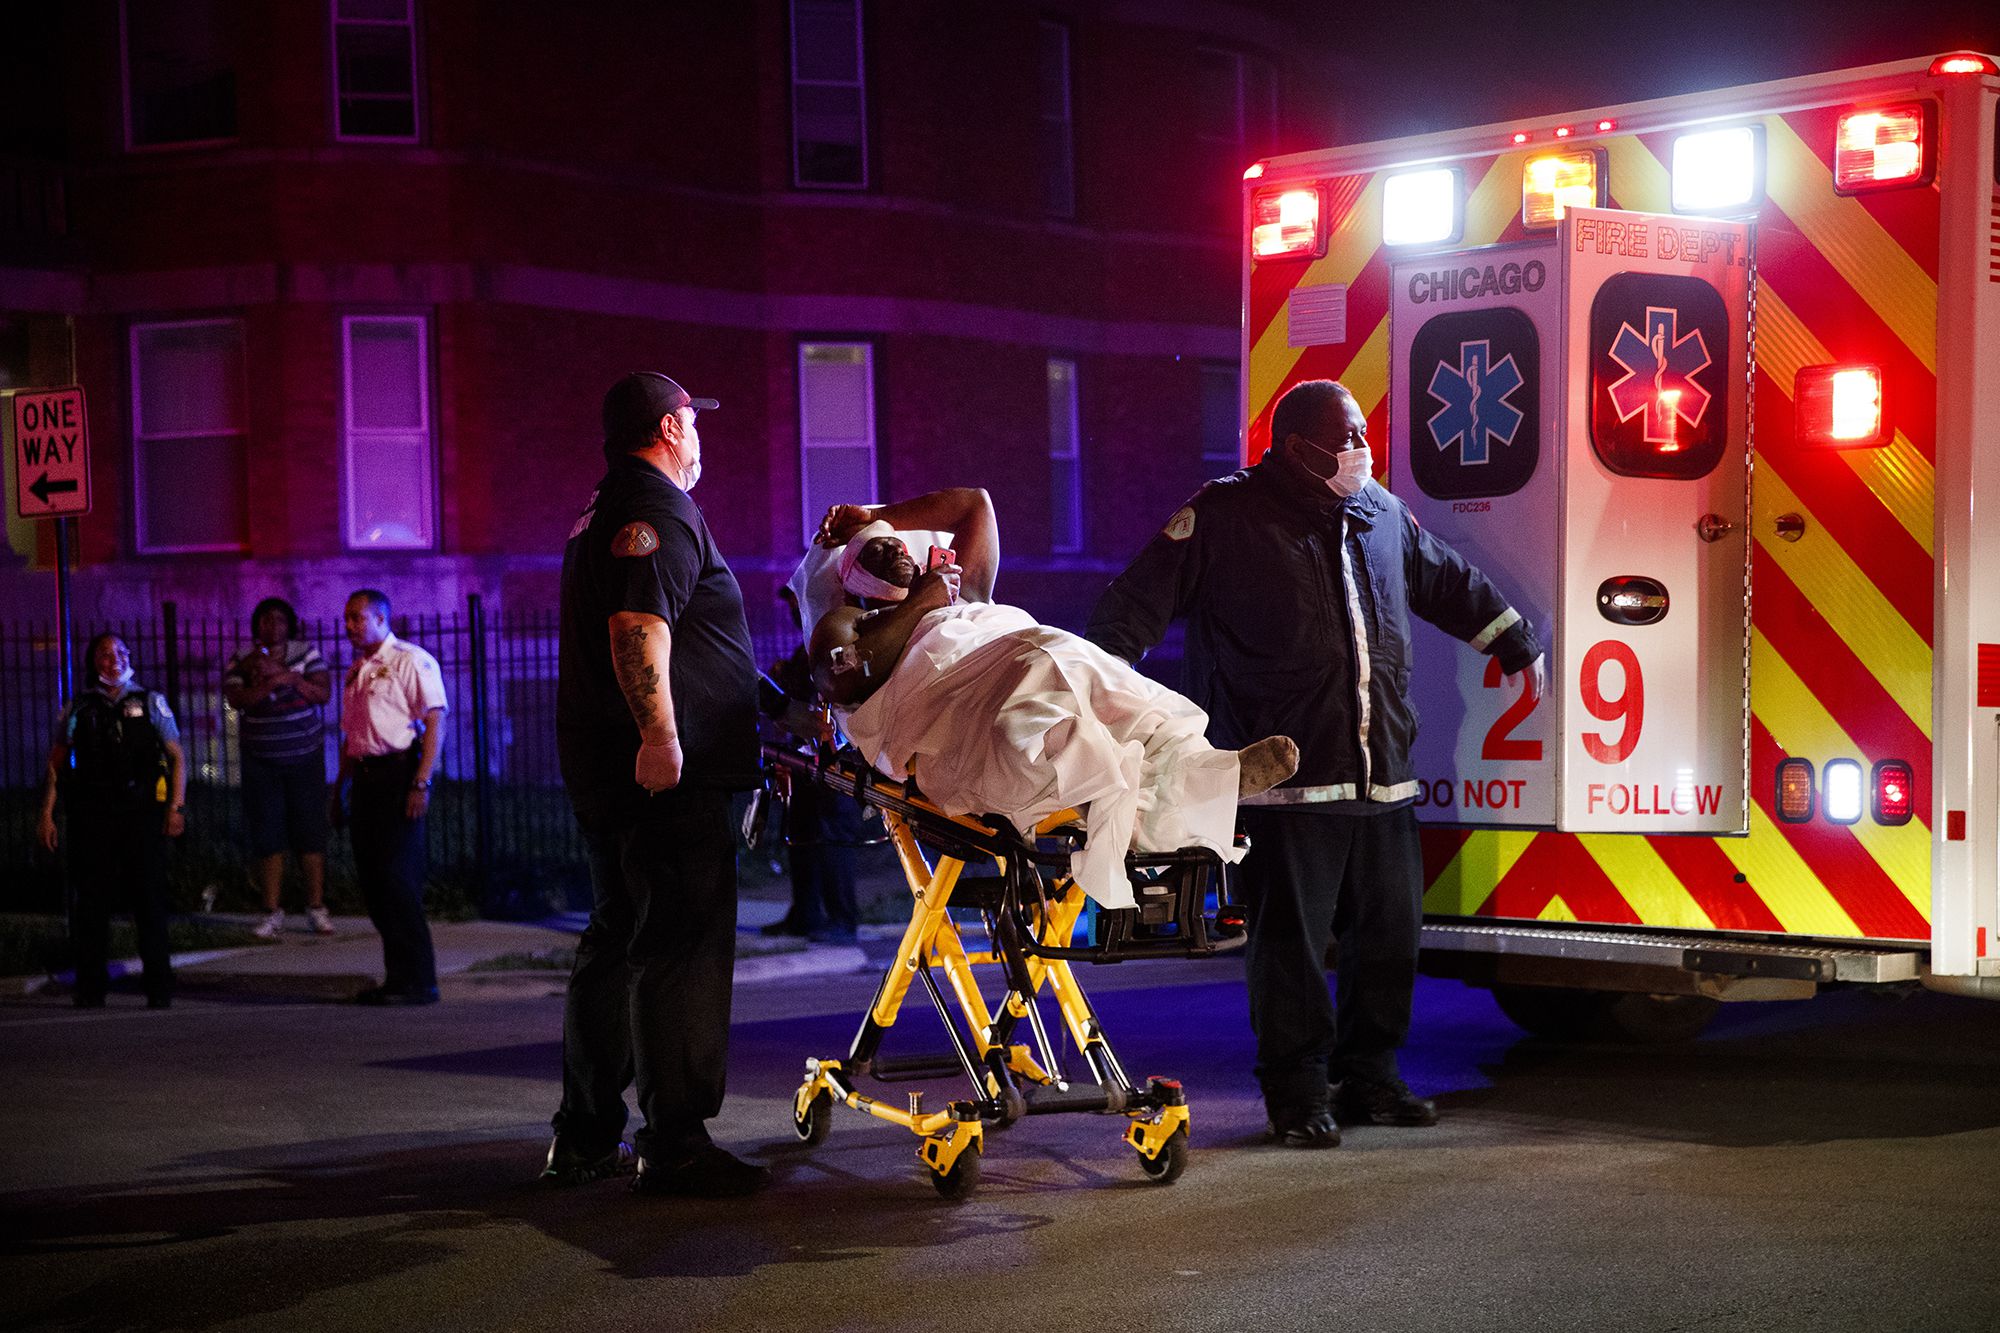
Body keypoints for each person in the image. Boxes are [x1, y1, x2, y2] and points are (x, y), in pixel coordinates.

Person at [1087, 378, 1545, 1148]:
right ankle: (1297, 1092)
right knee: (1291, 950)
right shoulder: (1226, 517)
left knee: (1390, 935)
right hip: (1284, 789)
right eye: (1350, 436)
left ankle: (1372, 1077)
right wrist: (1099, 701)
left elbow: (1445, 579)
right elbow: (1131, 609)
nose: (1363, 449)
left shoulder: (1381, 515)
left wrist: (1511, 637)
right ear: (1300, 447)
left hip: (1383, 775)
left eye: (1364, 433)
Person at [806, 489, 1298, 911]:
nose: (895, 551)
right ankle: (1147, 808)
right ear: (852, 578)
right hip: (956, 702)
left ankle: (1206, 770)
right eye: (876, 549)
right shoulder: (852, 622)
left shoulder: (966, 596)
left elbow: (974, 503)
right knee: (1044, 698)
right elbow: (840, 679)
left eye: (899, 545)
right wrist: (920, 605)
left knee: (1107, 681)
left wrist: (875, 515)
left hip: (1031, 655)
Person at [542, 370, 767, 1199]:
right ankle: (674, 1140)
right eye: (693, 424)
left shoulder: (598, 510)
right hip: (665, 779)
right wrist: (664, 736)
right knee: (679, 949)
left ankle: (585, 1133)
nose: (700, 438)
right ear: (672, 428)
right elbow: (638, 626)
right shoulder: (656, 509)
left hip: (612, 774)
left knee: (618, 942)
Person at [35, 632, 187, 1009]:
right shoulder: (78, 708)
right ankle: (90, 989)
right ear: (93, 661)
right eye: (104, 654)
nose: (113, 659)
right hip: (94, 817)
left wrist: (175, 808)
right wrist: (47, 813)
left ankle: (159, 989)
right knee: (92, 906)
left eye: (119, 652)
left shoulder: (150, 702)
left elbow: (176, 757)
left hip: (141, 816)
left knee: (149, 901)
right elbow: (56, 764)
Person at [331, 589, 446, 1006]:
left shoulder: (409, 660)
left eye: (358, 618)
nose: (350, 626)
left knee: (399, 880)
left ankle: (421, 979)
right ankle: (397, 977)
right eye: (346, 618)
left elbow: (435, 719)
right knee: (375, 881)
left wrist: (421, 782)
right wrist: (340, 786)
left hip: (397, 775)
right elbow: (352, 737)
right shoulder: (357, 669)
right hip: (364, 779)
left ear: (381, 618)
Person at [758, 585, 865, 944]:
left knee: (834, 839)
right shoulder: (805, 650)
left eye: (794, 603)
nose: (791, 612)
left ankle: (842, 920)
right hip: (805, 758)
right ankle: (805, 914)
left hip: (838, 759)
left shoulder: (835, 644)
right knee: (801, 835)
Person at [223, 596, 335, 938]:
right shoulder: (242, 659)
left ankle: (316, 908)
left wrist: (285, 676)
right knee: (267, 835)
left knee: (310, 832)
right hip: (261, 760)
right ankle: (271, 912)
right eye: (266, 620)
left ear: (290, 625)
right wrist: (269, 683)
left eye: (280, 619)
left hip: (304, 756)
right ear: (256, 625)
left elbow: (322, 693)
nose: (273, 626)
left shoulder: (306, 653)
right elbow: (236, 700)